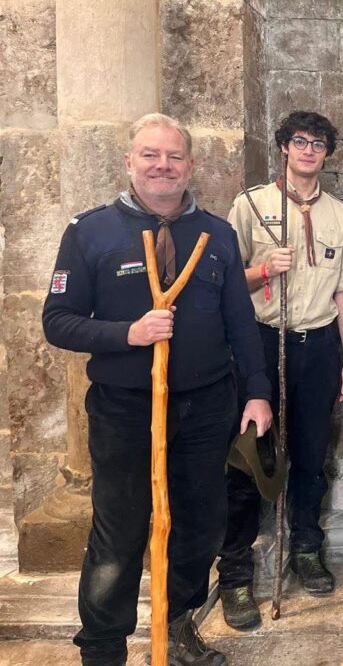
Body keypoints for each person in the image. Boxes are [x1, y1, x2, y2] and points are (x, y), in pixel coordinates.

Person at [42, 113, 272, 666]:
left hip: (204, 407)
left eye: (173, 157)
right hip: (124, 409)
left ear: (190, 165)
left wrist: (258, 392)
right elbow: (58, 320)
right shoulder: (89, 232)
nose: (162, 166)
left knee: (201, 524)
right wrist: (128, 333)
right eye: (150, 155)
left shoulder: (216, 234)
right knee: (118, 531)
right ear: (129, 162)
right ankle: (103, 646)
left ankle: (176, 625)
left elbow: (241, 323)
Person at [217, 111, 343, 630]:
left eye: (318, 144)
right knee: (249, 455)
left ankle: (305, 547)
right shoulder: (250, 205)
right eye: (299, 141)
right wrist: (261, 270)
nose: (308, 150)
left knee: (310, 453)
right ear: (283, 148)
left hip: (318, 345)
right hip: (261, 342)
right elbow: (225, 284)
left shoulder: (340, 214)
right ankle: (233, 573)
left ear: (326, 154)